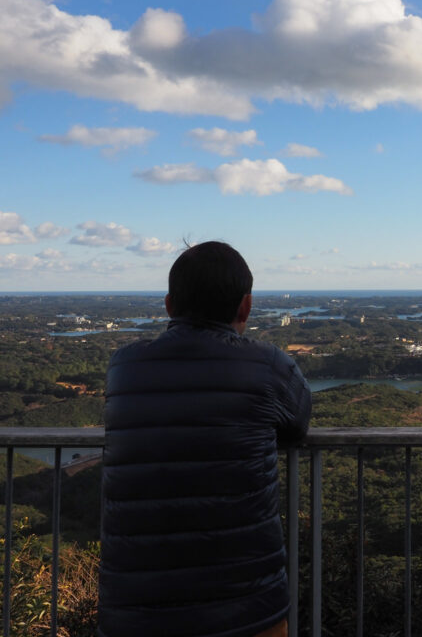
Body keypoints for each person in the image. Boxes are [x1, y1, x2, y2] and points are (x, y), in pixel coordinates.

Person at [99, 241, 312, 637]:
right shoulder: (269, 365)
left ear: (169, 304)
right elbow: (297, 425)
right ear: (245, 306)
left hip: (136, 610)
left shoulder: (124, 366)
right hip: (247, 609)